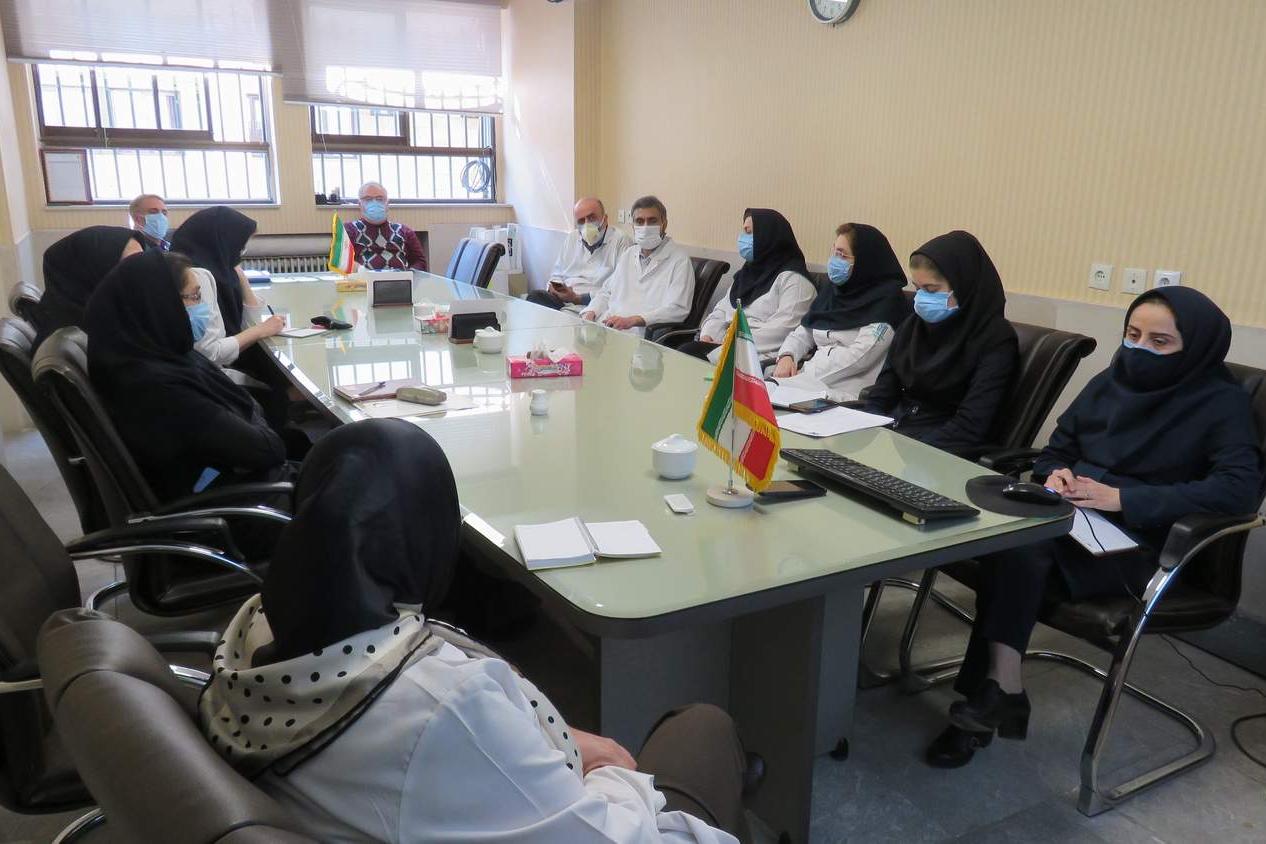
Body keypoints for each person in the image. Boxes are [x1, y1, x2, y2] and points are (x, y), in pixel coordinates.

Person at [198, 419, 754, 843]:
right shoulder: (442, 707)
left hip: (395, 803)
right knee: (702, 726)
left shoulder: (256, 626)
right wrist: (611, 774)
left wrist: (556, 737)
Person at [926, 287, 1263, 769]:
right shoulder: (1111, 380)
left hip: (1143, 544)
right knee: (1012, 550)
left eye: (1160, 341)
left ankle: (995, 693)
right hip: (1070, 517)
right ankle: (999, 690)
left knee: (1018, 554)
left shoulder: (1220, 403)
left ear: (1196, 347)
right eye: (1133, 334)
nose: (1140, 349)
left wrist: (1123, 499)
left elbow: (1236, 490)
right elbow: (1057, 449)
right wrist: (1055, 474)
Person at [84, 250, 292, 502]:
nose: (203, 308)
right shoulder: (158, 387)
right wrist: (251, 412)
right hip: (231, 499)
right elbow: (268, 449)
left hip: (226, 476)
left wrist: (250, 413)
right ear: (160, 304)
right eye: (194, 296)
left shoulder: (151, 354)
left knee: (314, 444)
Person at [861, 230, 1018, 455]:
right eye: (917, 289)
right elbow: (882, 393)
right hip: (897, 438)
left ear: (964, 286)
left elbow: (970, 425)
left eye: (931, 290)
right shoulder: (913, 326)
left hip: (945, 451)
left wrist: (912, 451)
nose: (920, 298)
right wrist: (863, 431)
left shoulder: (996, 338)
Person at [170, 206, 291, 425]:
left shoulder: (218, 267)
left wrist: (240, 275)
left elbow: (247, 321)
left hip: (218, 364)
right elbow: (211, 352)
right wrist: (261, 330)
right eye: (241, 241)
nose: (242, 248)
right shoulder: (196, 275)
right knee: (273, 367)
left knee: (269, 360)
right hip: (213, 373)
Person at [770, 223, 910, 400]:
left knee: (769, 393)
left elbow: (860, 357)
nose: (835, 260)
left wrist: (805, 374)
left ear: (865, 261)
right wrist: (787, 355)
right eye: (834, 252)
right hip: (808, 380)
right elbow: (806, 330)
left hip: (847, 391)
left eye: (842, 255)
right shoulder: (835, 290)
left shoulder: (887, 301)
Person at [680, 208, 816, 364]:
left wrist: (731, 344)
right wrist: (709, 335)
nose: (743, 238)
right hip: (726, 345)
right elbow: (721, 311)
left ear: (768, 236)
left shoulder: (795, 280)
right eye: (744, 231)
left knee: (689, 355)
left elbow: (783, 329)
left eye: (749, 232)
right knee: (686, 353)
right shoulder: (746, 273)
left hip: (757, 354)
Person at [581, 196, 694, 336]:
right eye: (640, 221)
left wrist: (633, 320)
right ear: (633, 226)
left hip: (641, 335)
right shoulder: (629, 254)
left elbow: (677, 309)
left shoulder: (679, 260)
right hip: (608, 329)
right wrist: (591, 311)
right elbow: (607, 292)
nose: (645, 227)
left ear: (664, 224)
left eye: (652, 221)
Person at [31, 226, 147, 346]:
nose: (138, 274)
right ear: (95, 271)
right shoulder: (84, 340)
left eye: (141, 261)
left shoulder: (96, 319)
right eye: (129, 266)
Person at [526, 197, 630, 310]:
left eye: (591, 218)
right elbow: (557, 274)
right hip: (564, 299)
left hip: (594, 304)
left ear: (605, 219)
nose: (587, 224)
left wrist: (577, 298)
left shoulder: (621, 241)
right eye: (581, 221)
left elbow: (619, 288)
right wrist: (555, 289)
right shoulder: (572, 238)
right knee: (534, 298)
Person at [344, 181, 428, 271]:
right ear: (360, 204)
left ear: (387, 204)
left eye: (380, 199)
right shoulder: (349, 230)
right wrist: (362, 271)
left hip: (401, 278)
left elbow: (420, 261)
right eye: (368, 199)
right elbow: (341, 261)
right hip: (362, 279)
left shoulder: (404, 231)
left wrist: (410, 274)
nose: (374, 203)